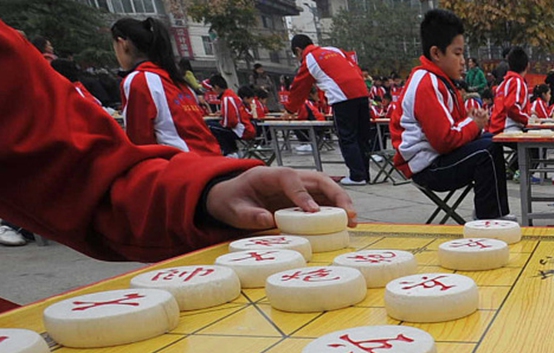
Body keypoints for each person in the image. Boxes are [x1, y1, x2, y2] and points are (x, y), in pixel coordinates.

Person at [0, 19, 354, 285]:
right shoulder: (176, 80)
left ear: (121, 44)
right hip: (197, 170)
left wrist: (206, 194)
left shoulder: (140, 80)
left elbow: (131, 143)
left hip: (184, 180)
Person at [392, 9, 508, 220]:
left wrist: (471, 122)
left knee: (494, 141)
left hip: (439, 157)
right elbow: (445, 140)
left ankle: (493, 212)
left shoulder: (441, 82)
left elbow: (453, 127)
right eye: (457, 53)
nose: (463, 61)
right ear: (436, 53)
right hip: (428, 167)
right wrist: (473, 124)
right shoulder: (426, 83)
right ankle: (488, 219)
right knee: (487, 151)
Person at [111, 18, 221, 156]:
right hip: (212, 159)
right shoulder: (179, 83)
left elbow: (139, 142)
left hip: (184, 166)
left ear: (122, 44)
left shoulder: (139, 80)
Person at [285, 34, 372, 185]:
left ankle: (357, 176)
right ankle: (365, 174)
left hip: (342, 99)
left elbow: (299, 87)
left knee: (348, 137)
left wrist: (290, 110)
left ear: (298, 50)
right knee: (362, 137)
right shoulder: (334, 50)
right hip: (362, 94)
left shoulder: (310, 59)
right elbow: (355, 69)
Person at [207, 74, 256, 157]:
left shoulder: (227, 98)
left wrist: (221, 121)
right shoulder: (232, 95)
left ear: (216, 87)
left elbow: (231, 122)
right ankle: (234, 150)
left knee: (211, 126)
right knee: (217, 126)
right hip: (247, 128)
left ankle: (229, 152)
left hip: (242, 131)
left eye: (212, 87)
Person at [488, 47, 531, 134]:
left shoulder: (504, 83)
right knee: (536, 145)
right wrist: (528, 119)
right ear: (527, 65)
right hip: (508, 129)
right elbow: (512, 107)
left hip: (497, 128)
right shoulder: (517, 81)